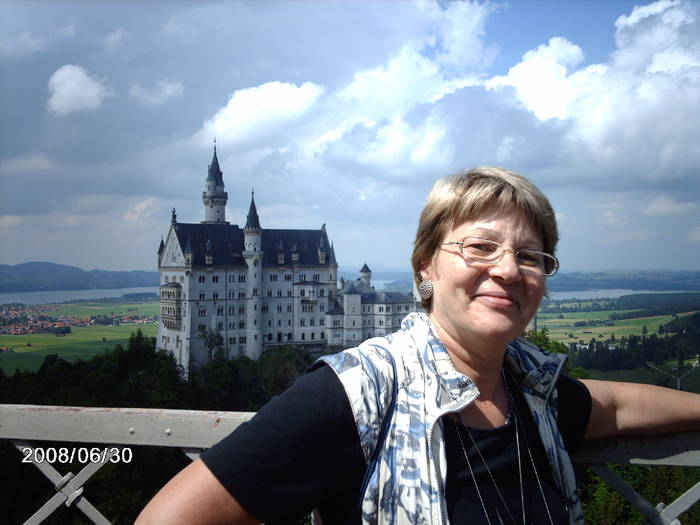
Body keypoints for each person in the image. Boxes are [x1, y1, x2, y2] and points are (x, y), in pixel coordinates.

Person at [136, 167, 700, 525]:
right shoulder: (359, 390)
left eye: (530, 256)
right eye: (480, 247)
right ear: (424, 269)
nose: (508, 270)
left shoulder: (532, 391)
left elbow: (619, 405)